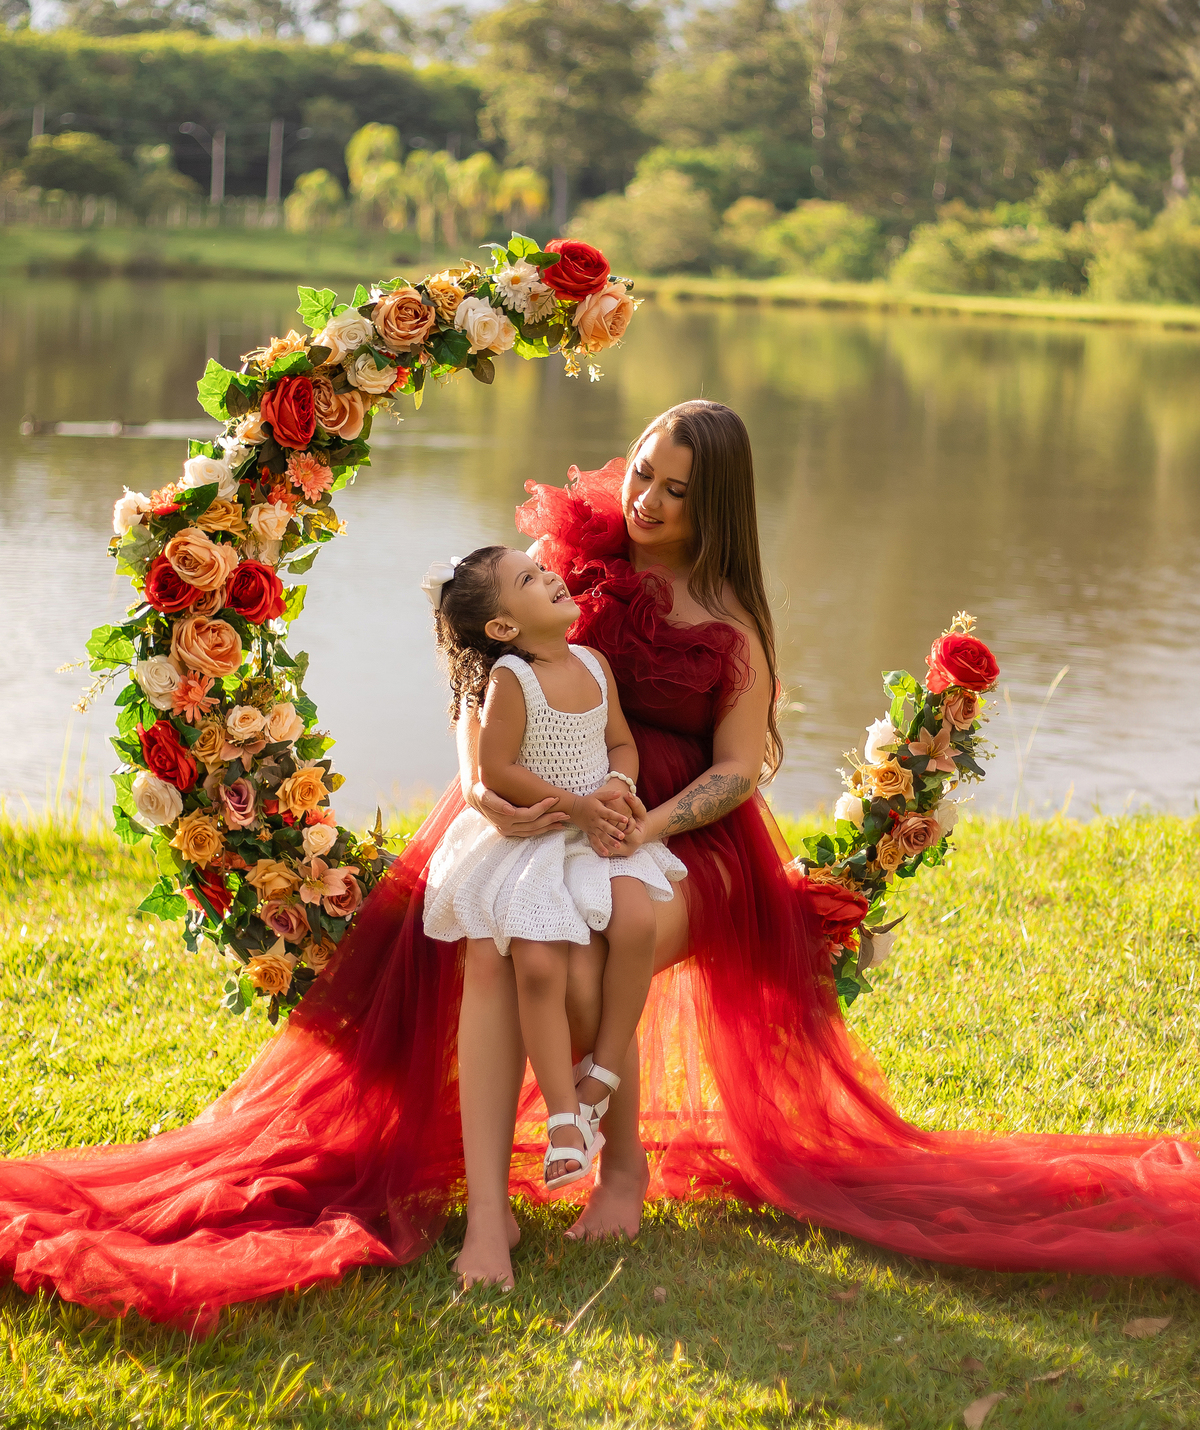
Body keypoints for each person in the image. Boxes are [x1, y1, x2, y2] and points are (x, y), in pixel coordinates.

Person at [3, 400, 1200, 1332]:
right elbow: (484, 664)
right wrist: (502, 784)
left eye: (675, 491)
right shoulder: (564, 560)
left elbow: (743, 768)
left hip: (683, 832)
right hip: (546, 797)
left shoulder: (732, 619)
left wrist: (654, 818)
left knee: (596, 942)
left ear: (716, 504)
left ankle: (614, 1159)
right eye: (640, 469)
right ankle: (492, 1215)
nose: (644, 498)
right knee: (487, 945)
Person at [420, 544, 686, 1187]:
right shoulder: (512, 680)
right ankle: (563, 1117)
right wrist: (575, 806)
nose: (551, 575)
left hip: (602, 831)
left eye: (542, 570)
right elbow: (498, 768)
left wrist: (619, 785)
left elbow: (619, 740)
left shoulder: (594, 666)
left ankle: (601, 1075)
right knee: (537, 964)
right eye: (529, 579)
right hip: (539, 837)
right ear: (504, 628)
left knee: (635, 924)